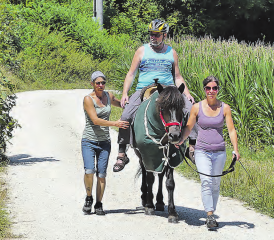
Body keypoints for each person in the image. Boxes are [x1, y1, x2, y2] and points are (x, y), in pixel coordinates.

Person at [113, 19, 197, 172]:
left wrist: (187, 94)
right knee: (125, 116)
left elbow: (178, 77)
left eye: (157, 35)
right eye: (151, 34)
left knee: (192, 110)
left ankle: (191, 147)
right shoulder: (141, 51)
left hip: (169, 90)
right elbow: (131, 74)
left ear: (164, 35)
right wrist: (125, 93)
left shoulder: (171, 52)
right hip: (145, 88)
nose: (153, 37)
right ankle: (122, 152)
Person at [175, 76, 240, 229]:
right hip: (202, 150)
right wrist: (181, 141)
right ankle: (210, 215)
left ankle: (212, 210)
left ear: (218, 90)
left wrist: (235, 149)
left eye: (214, 88)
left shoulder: (225, 108)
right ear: (204, 90)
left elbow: (231, 130)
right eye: (208, 88)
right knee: (206, 181)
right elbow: (189, 128)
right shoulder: (196, 107)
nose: (211, 91)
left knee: (216, 184)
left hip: (219, 151)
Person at [81, 71, 129, 215]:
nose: (101, 85)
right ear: (92, 84)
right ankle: (89, 198)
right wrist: (116, 123)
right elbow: (95, 120)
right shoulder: (88, 99)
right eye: (98, 83)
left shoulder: (108, 96)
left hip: (104, 143)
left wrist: (131, 105)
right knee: (89, 171)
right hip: (89, 141)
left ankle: (99, 204)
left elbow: (121, 104)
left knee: (101, 174)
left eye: (103, 83)